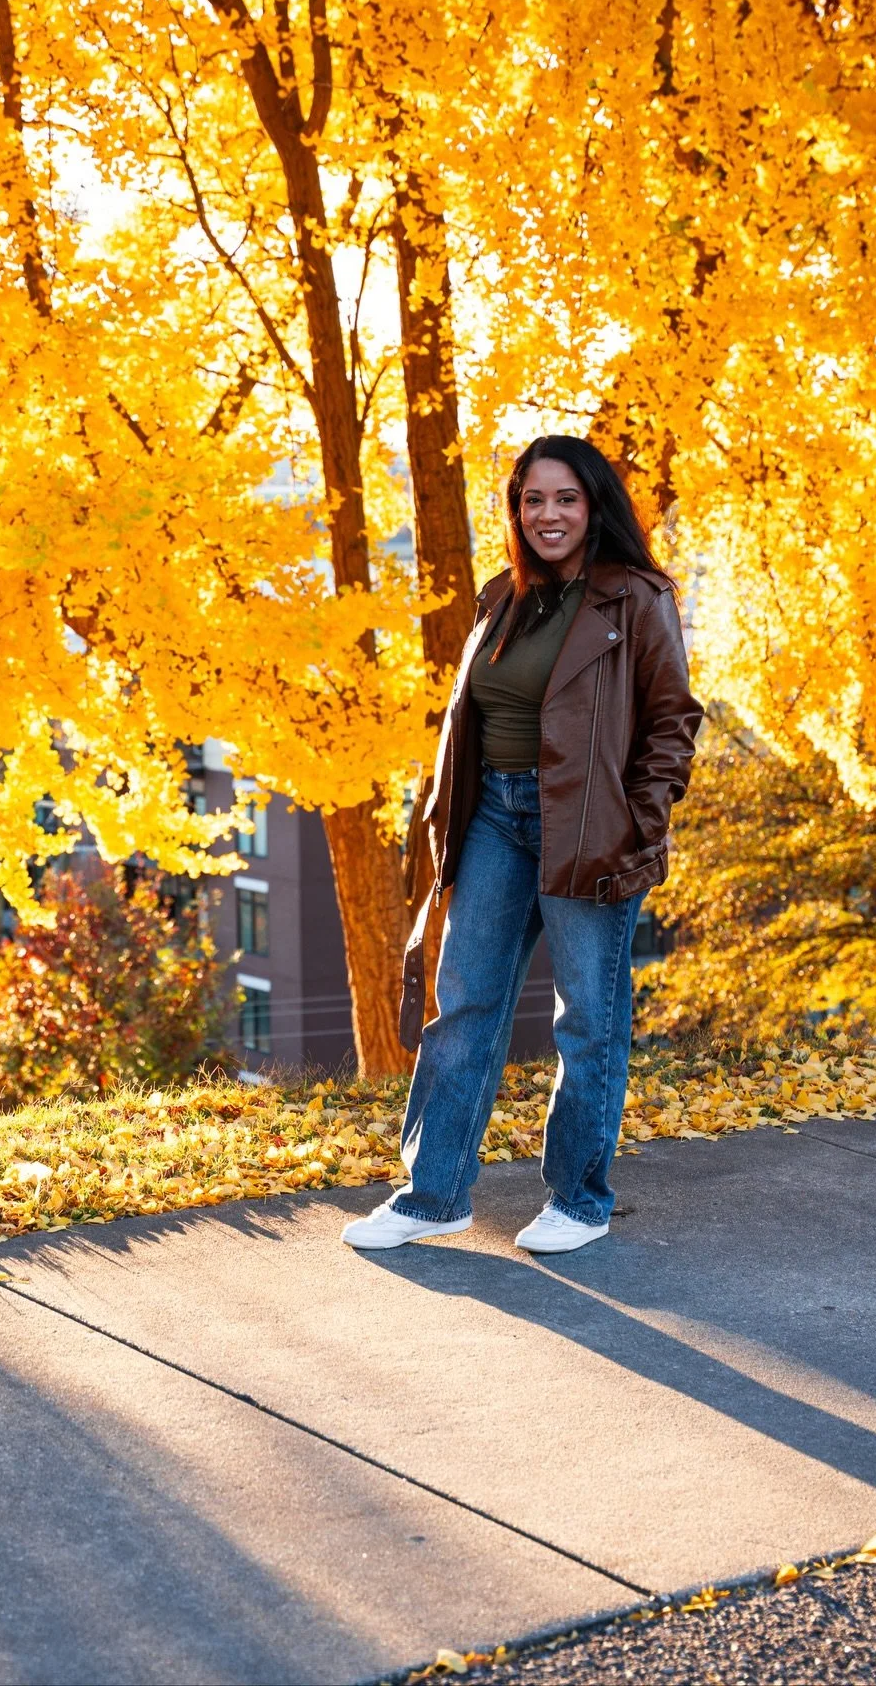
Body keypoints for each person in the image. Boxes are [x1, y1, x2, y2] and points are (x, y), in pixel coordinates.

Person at [343, 435, 702, 1255]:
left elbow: (672, 723)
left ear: (594, 506)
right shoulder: (502, 595)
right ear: (516, 511)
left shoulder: (637, 598)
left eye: (566, 499)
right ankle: (433, 1195)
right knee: (463, 1007)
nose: (549, 514)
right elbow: (470, 718)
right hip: (494, 820)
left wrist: (638, 823)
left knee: (588, 1020)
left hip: (587, 827)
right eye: (533, 500)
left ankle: (578, 1198)